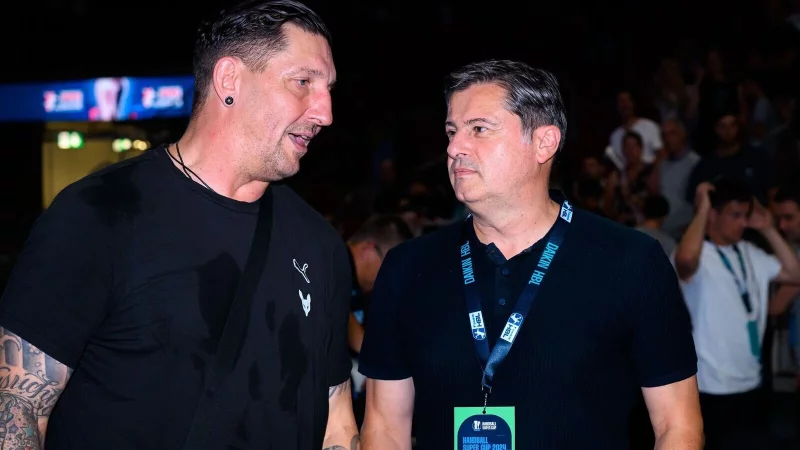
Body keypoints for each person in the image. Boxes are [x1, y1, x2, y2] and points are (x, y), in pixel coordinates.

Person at [0, 1, 358, 449]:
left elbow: (337, 423)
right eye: (303, 83)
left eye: (328, 90)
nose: (324, 113)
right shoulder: (99, 214)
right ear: (229, 80)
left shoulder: (319, 244)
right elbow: (18, 408)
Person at [359, 59, 702, 450]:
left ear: (544, 142)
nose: (455, 148)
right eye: (452, 131)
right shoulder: (408, 268)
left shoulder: (631, 261)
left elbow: (679, 428)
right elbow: (384, 429)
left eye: (479, 130)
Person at [673, 179, 800, 450]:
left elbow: (795, 273)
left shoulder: (750, 252)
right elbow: (684, 261)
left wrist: (767, 228)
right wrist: (703, 209)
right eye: (735, 215)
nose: (742, 223)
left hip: (751, 380)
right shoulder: (699, 255)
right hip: (711, 385)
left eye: (746, 215)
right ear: (715, 215)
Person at [345, 215, 413, 427]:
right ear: (369, 249)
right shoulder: (331, 262)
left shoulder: (362, 289)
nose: (387, 276)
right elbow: (362, 344)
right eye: (387, 265)